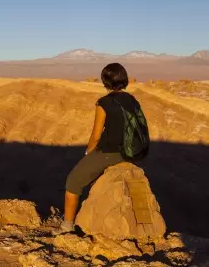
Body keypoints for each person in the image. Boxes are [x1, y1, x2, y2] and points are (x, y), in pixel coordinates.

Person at [60, 63, 146, 233]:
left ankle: (67, 226)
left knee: (73, 183)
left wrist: (88, 154)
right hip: (133, 152)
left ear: (105, 81)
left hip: (111, 152)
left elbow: (96, 136)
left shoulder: (104, 103)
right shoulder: (132, 100)